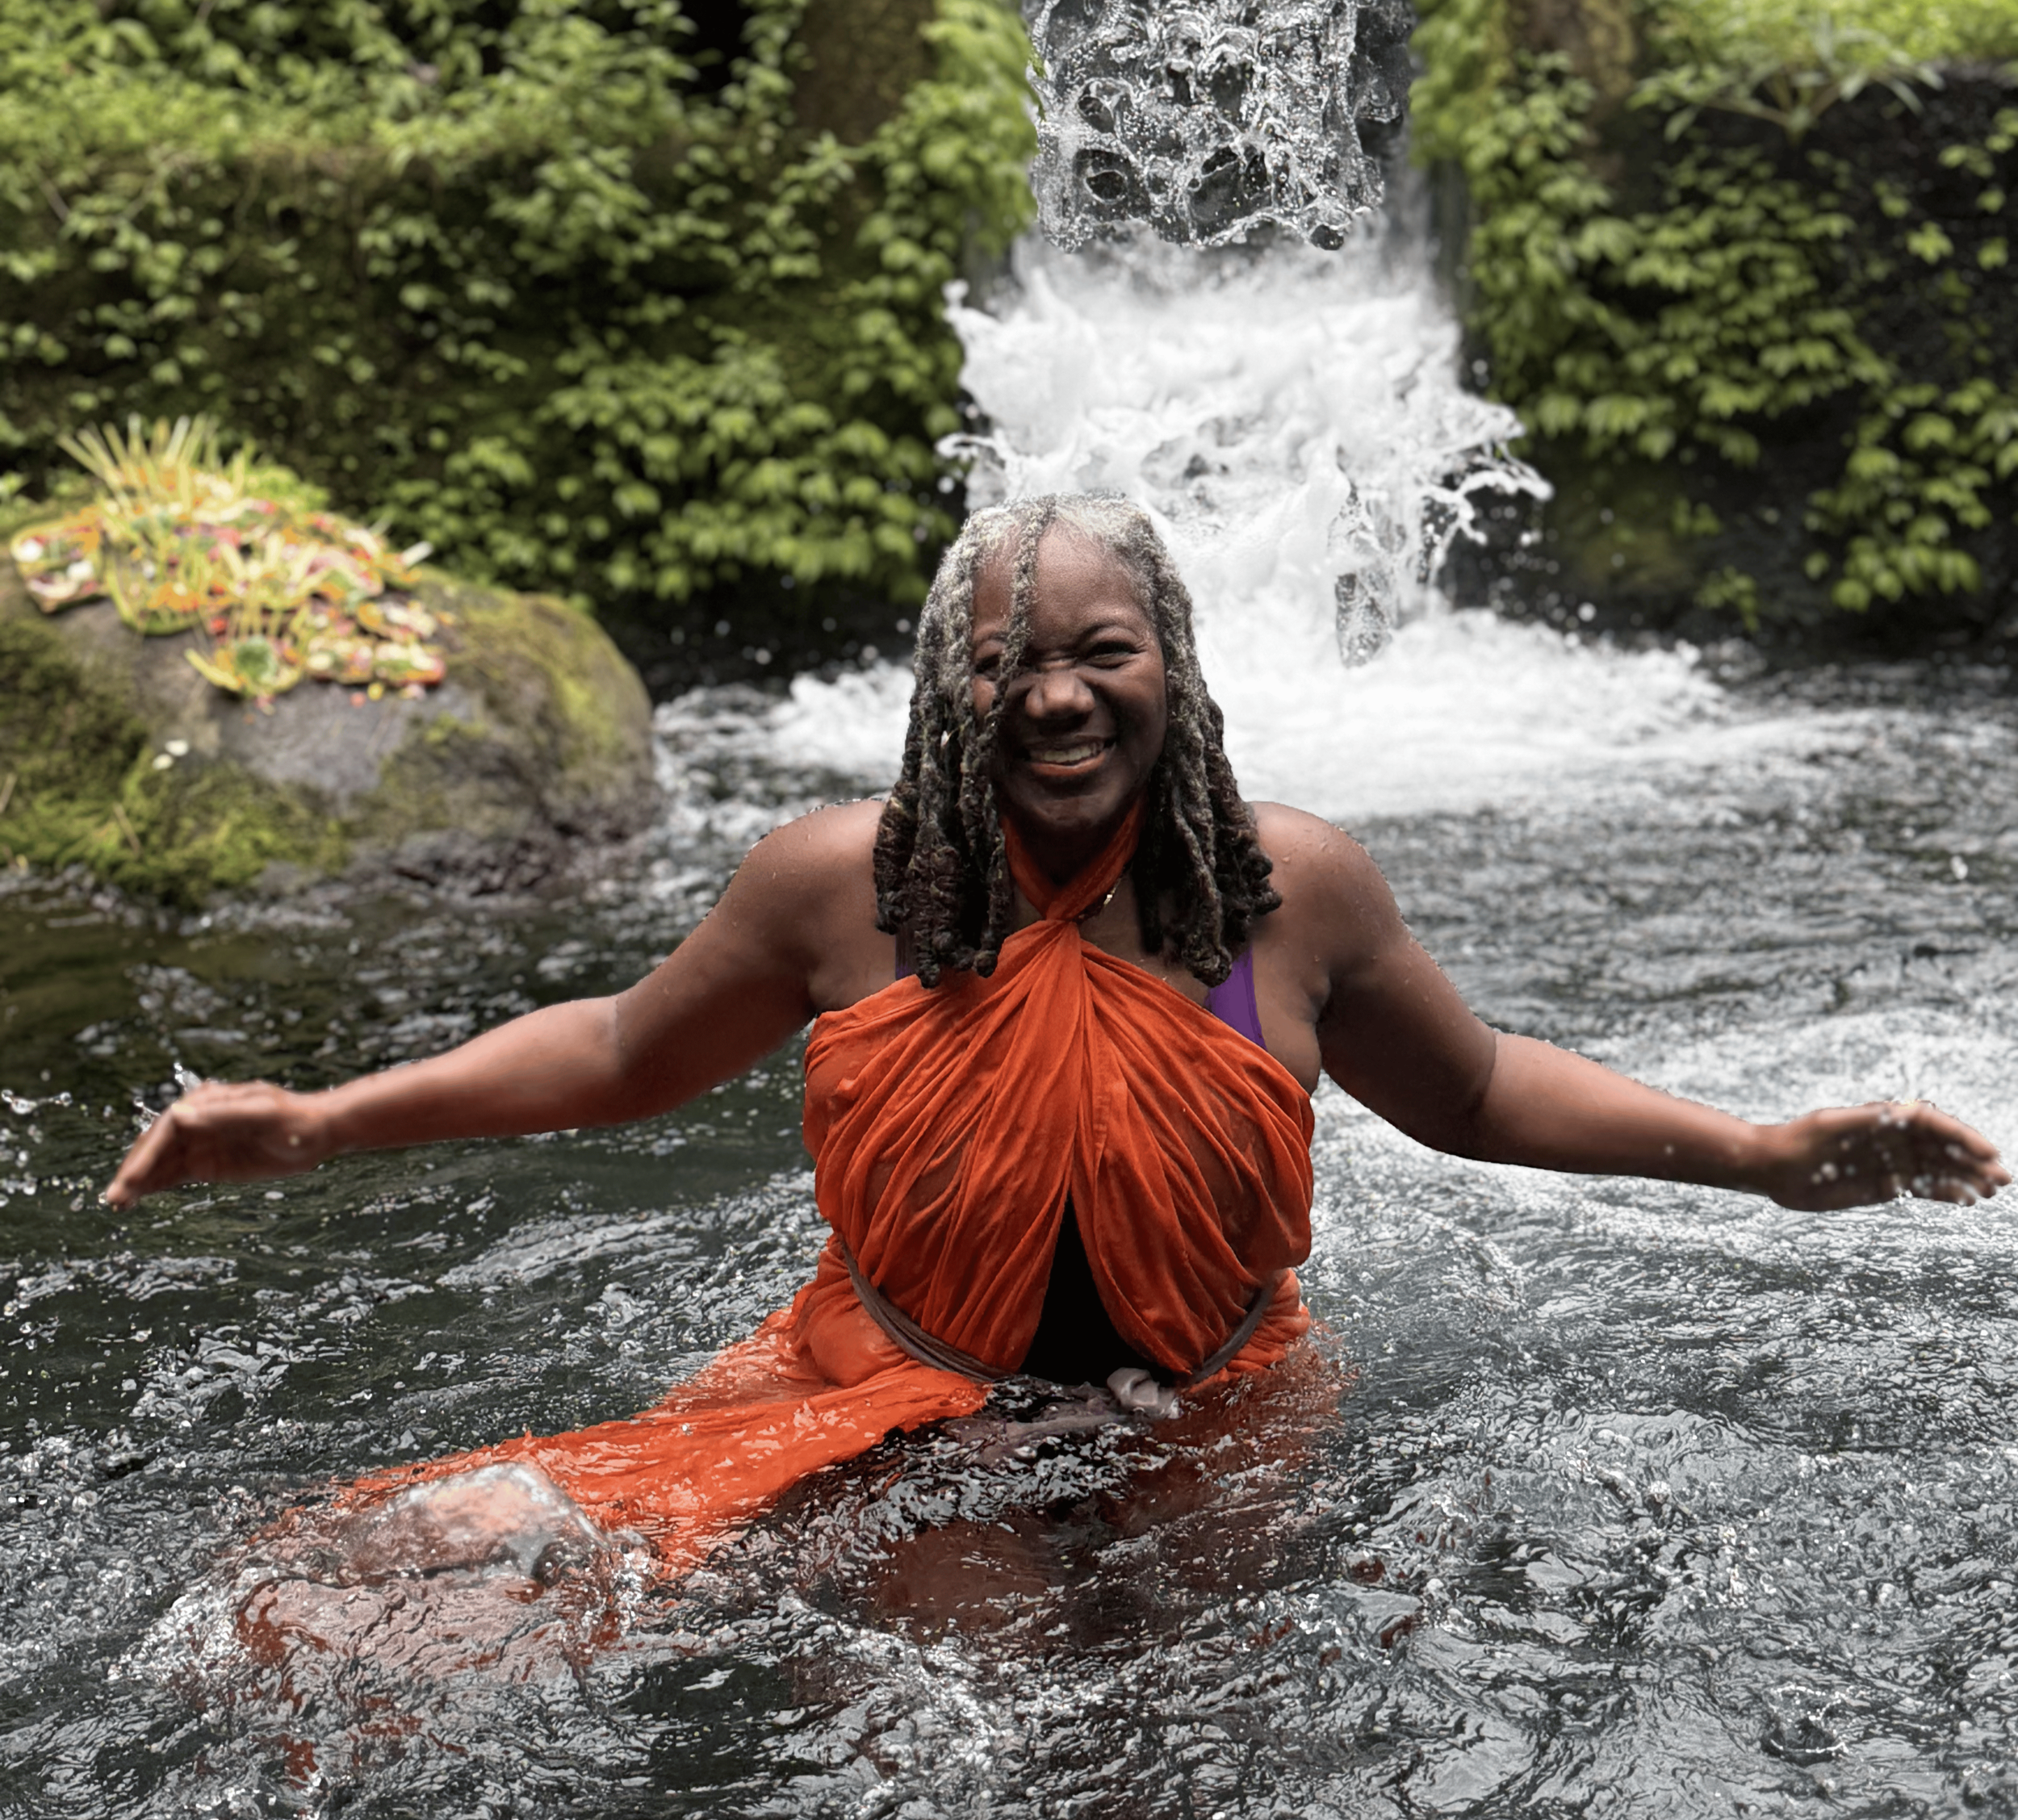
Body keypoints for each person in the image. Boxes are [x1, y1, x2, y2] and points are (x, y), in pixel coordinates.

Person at [104, 496, 2008, 1580]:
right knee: (397, 1600)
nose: (1053, 693)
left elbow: (1484, 1086)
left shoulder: (1291, 894)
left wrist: (1757, 1158)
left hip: (1225, 1402)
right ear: (948, 695)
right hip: (898, 1392)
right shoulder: (840, 887)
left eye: (1101, 646)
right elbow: (614, 1049)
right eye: (1003, 661)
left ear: (1170, 661)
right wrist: (325, 1121)